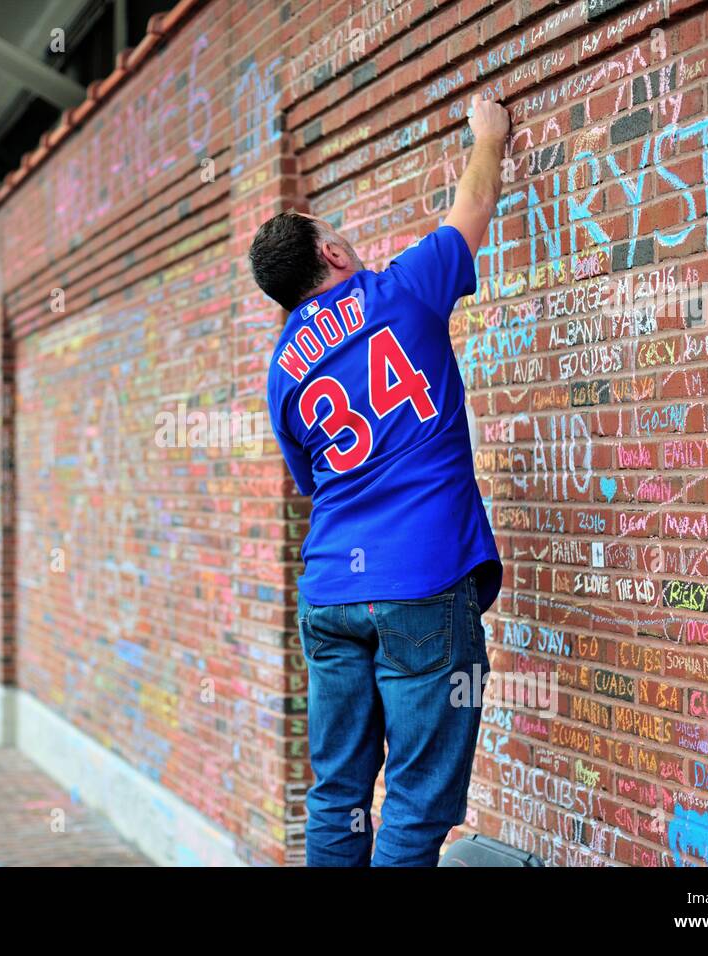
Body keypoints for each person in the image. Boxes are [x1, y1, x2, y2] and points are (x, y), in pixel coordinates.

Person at [249, 94, 510, 867]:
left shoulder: (280, 373)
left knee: (336, 793)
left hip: (332, 590)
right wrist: (488, 134)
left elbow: (310, 477)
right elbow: (475, 200)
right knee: (417, 803)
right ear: (329, 250)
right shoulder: (404, 288)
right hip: (423, 581)